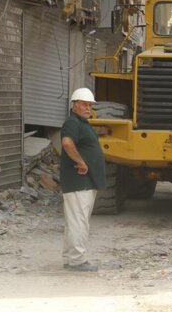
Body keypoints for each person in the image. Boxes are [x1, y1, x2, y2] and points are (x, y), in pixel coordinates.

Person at [60, 88, 106, 272]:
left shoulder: (82, 123)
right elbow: (67, 143)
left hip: (85, 182)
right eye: (85, 104)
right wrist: (81, 162)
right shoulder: (72, 123)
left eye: (90, 105)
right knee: (79, 221)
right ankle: (77, 261)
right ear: (75, 105)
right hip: (79, 181)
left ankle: (70, 258)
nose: (88, 108)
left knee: (75, 221)